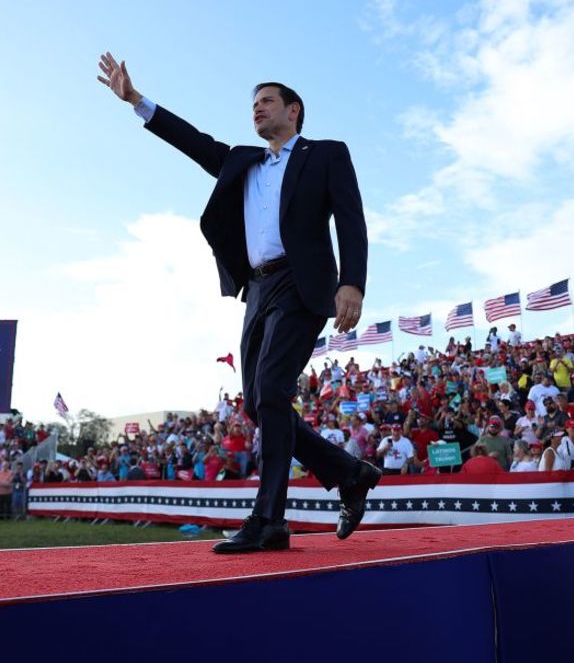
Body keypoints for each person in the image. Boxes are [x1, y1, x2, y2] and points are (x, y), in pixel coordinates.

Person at [97, 56, 380, 553]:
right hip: (258, 287)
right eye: (252, 104)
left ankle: (269, 520)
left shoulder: (326, 154)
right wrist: (137, 101)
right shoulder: (242, 160)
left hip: (303, 282)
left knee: (271, 389)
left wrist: (352, 283)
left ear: (294, 111)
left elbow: (351, 221)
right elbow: (193, 142)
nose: (257, 110)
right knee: (257, 402)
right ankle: (347, 472)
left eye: (267, 101)